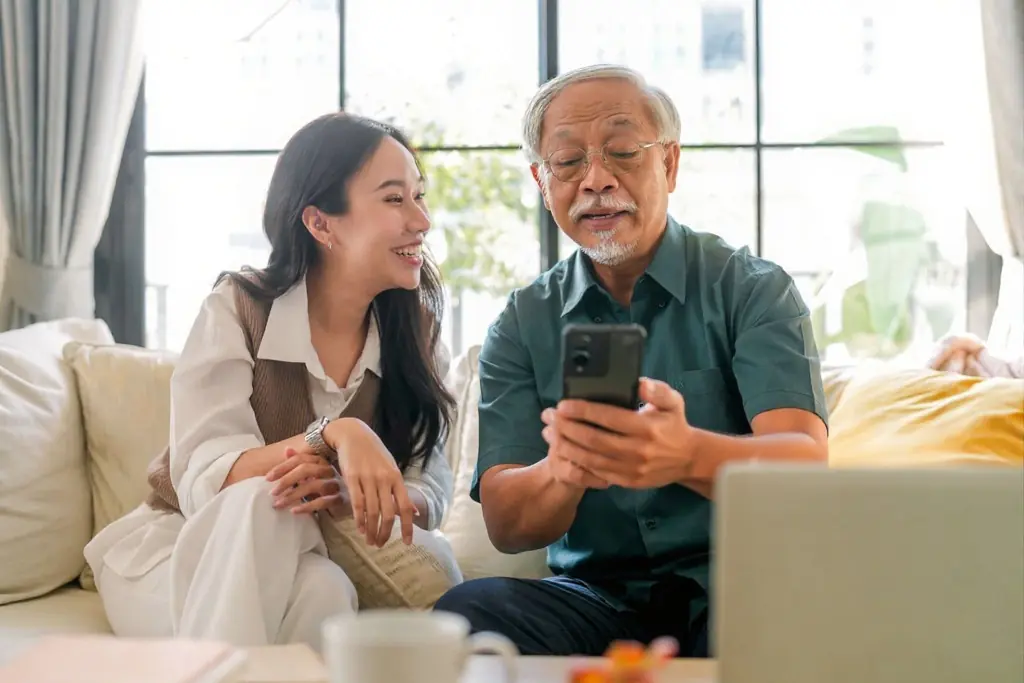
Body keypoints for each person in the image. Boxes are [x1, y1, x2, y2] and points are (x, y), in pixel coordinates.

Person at [433, 64, 829, 658]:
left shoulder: (751, 289)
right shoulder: (521, 324)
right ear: (543, 182)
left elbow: (805, 464)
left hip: (735, 584)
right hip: (595, 596)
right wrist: (564, 469)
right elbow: (509, 524)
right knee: (466, 616)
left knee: (783, 623)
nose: (595, 180)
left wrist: (686, 452)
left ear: (668, 163)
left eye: (621, 151)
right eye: (567, 163)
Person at [85, 113, 458, 651]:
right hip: (177, 555)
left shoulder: (414, 331)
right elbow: (203, 476)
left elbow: (432, 481)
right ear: (321, 223)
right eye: (395, 199)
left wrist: (369, 499)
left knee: (326, 590)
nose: (421, 220)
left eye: (419, 197)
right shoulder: (239, 308)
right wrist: (336, 435)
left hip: (309, 559)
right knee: (264, 500)